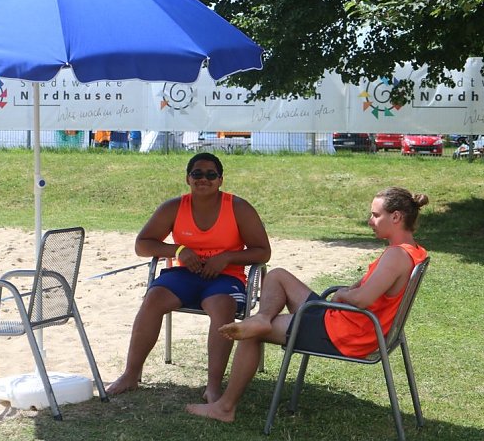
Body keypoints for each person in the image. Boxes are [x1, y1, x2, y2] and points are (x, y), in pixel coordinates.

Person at [186, 187, 428, 422]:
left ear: (396, 217)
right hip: (346, 323)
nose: (370, 221)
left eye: (376, 215)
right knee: (278, 275)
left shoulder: (396, 256)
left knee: (251, 335)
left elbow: (362, 299)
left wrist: (343, 295)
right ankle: (262, 319)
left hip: (345, 334)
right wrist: (350, 291)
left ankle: (224, 408)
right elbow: (369, 289)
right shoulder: (414, 252)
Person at [106, 152, 271, 402]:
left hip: (225, 277)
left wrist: (226, 258)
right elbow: (142, 245)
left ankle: (213, 386)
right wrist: (179, 250)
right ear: (187, 178)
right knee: (153, 298)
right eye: (197, 174)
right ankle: (131, 374)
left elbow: (263, 251)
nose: (203, 179)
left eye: (210, 174)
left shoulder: (238, 207)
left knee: (222, 307)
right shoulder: (174, 207)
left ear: (220, 180)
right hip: (185, 274)